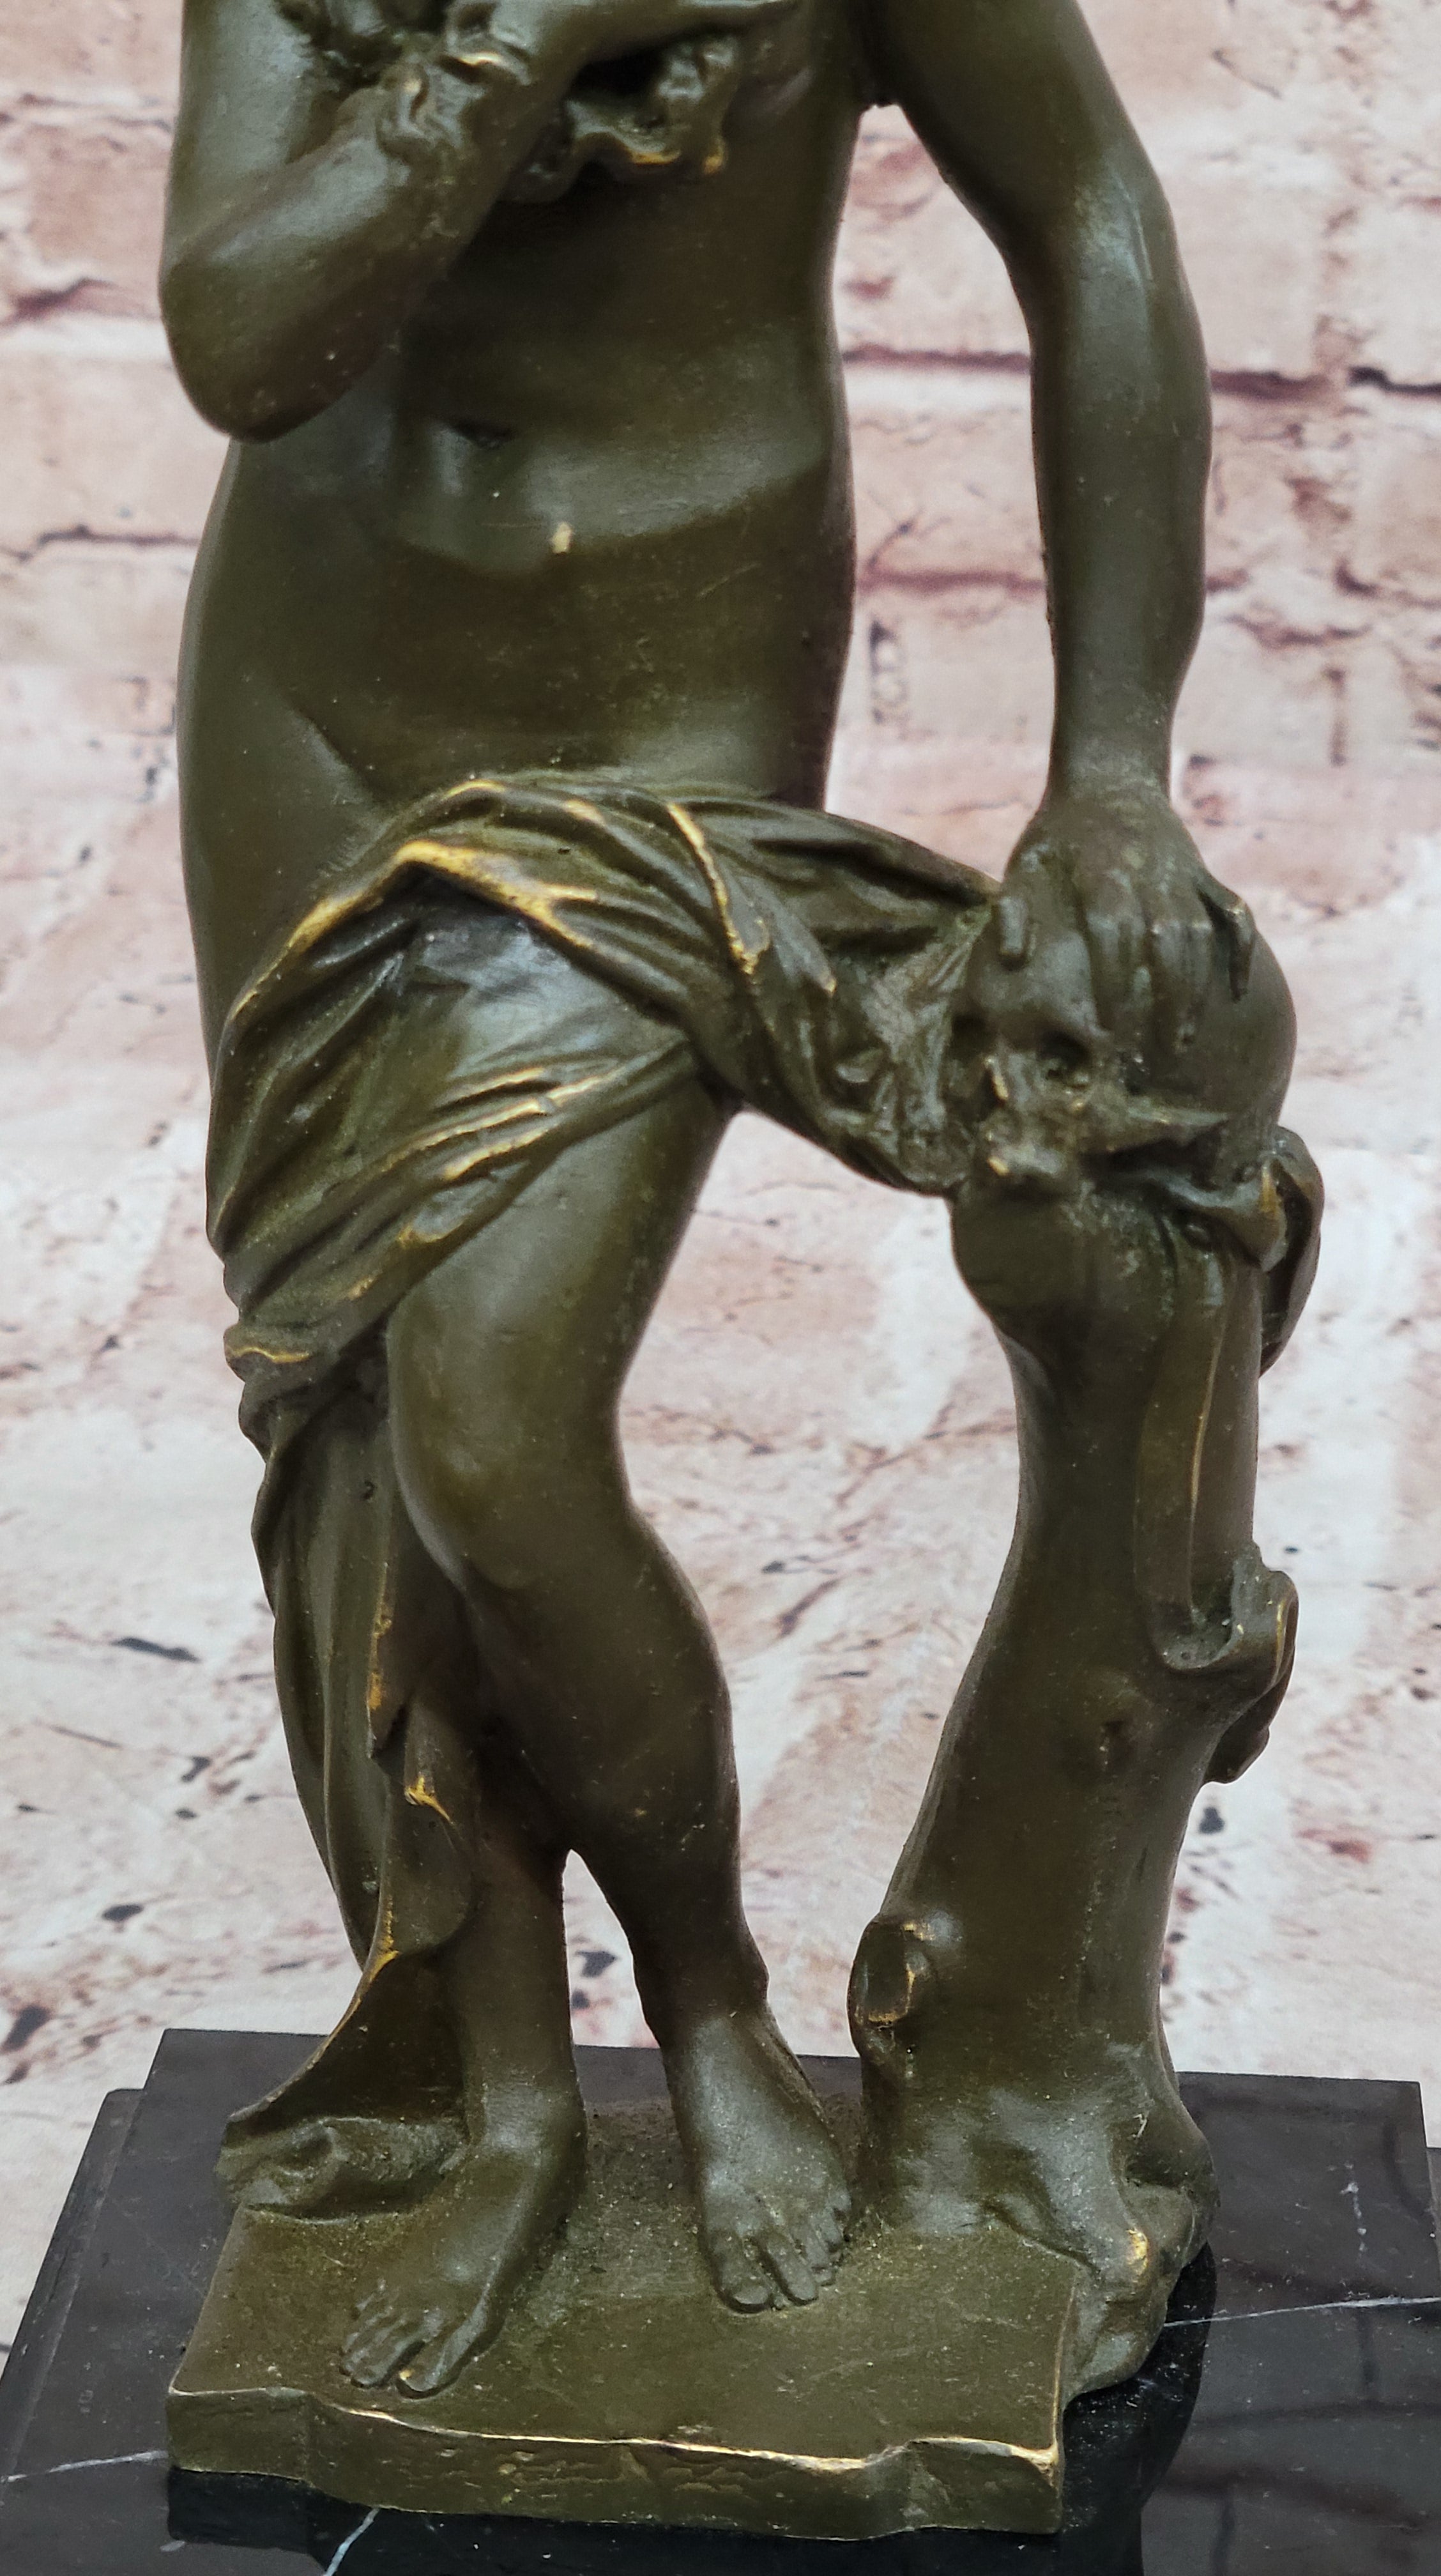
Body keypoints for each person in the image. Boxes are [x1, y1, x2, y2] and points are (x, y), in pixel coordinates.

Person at [161, 0, 1248, 2397]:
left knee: (494, 1434)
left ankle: (713, 2008)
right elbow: (240, 335)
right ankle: (509, 2103)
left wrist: (1110, 762)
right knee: (367, 1443)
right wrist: (526, 33)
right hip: (316, 704)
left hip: (661, 704)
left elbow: (1091, 220)